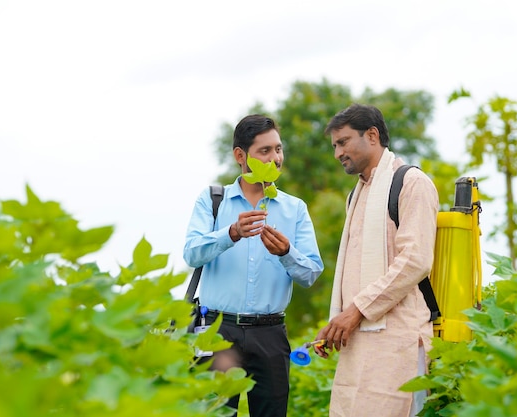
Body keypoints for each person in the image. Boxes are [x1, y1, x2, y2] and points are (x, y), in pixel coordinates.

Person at [183, 114, 324, 417]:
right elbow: (192, 254)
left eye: (278, 149)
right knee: (213, 412)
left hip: (270, 334)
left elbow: (311, 272)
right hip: (217, 332)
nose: (275, 159)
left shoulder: (294, 208)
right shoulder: (212, 200)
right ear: (240, 155)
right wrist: (230, 233)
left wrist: (287, 252)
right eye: (265, 151)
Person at [314, 103, 439, 417]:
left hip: (398, 342)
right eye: (334, 146)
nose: (337, 153)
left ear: (371, 135)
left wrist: (355, 311)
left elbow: (415, 260)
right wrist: (338, 322)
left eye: (343, 142)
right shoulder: (356, 195)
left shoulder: (412, 183)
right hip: (358, 342)